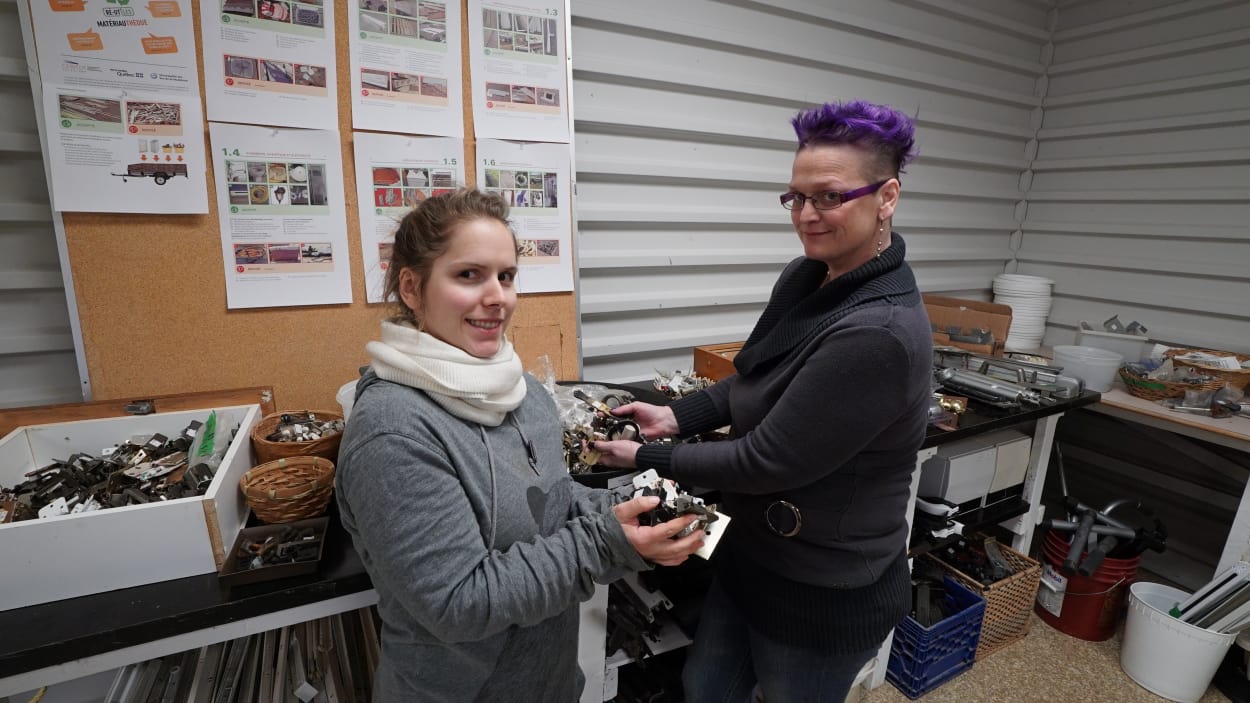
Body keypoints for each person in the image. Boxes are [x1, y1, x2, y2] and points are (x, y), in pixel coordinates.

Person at [591, 100, 933, 702]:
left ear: (887, 197)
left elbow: (764, 462)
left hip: (823, 590)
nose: (806, 215)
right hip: (752, 558)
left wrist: (647, 457)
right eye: (796, 197)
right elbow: (752, 379)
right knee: (706, 688)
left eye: (829, 196)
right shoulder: (807, 278)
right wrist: (675, 416)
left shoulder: (878, 335)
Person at [334, 189, 704, 702]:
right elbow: (458, 602)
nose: (498, 297)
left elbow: (549, 500)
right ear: (413, 289)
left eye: (506, 276)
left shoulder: (522, 392)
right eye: (469, 275)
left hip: (548, 683)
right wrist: (605, 543)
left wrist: (628, 510)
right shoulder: (394, 431)